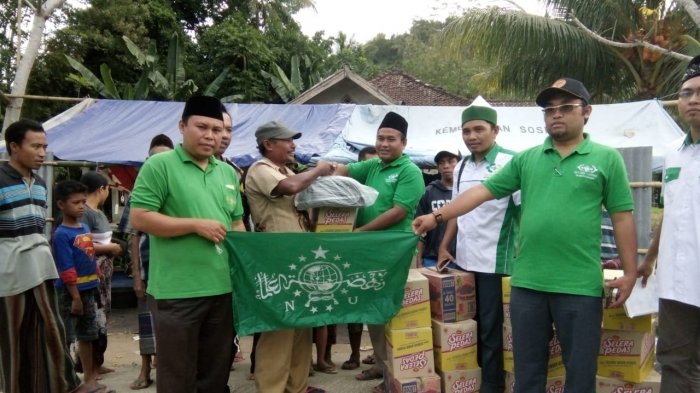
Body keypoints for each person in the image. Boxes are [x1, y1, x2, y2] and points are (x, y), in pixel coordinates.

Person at [413, 78, 638, 393]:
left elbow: (622, 217)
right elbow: (480, 193)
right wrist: (436, 216)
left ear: (586, 112)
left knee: (580, 374)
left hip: (580, 285)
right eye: (549, 110)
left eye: (566, 108)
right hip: (528, 284)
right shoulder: (527, 159)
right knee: (527, 374)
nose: (556, 115)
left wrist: (630, 273)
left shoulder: (606, 158)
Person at [130, 95, 246, 393]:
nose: (210, 136)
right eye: (202, 127)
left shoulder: (227, 172)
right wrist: (195, 225)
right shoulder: (160, 165)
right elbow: (141, 218)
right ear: (182, 126)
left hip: (222, 289)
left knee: (215, 374)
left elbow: (236, 224)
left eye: (218, 130)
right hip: (177, 293)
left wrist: (246, 265)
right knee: (177, 377)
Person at [0, 119, 94, 393]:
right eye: (36, 146)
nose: (42, 152)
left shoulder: (40, 184)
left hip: (41, 270)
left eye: (45, 146)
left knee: (51, 333)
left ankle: (58, 386)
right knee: (12, 340)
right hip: (9, 273)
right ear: (14, 147)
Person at [335, 111, 425, 393]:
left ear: (403, 142)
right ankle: (381, 363)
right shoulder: (373, 166)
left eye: (390, 139)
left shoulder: (410, 171)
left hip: (396, 250)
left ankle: (399, 371)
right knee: (373, 308)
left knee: (395, 310)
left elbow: (398, 211)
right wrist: (328, 172)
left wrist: (360, 232)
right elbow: (345, 171)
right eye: (380, 138)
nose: (384, 144)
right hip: (370, 251)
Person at [245, 120, 335, 393]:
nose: (293, 145)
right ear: (268, 144)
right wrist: (318, 170)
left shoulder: (286, 169)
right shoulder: (260, 170)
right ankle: (272, 388)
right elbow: (290, 187)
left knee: (300, 326)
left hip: (298, 258)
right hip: (277, 259)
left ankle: (297, 386)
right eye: (287, 140)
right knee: (279, 328)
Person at [436, 99, 519, 393]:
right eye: (466, 131)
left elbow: (524, 211)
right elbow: (456, 209)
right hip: (464, 260)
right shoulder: (460, 167)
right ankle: (469, 380)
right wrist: (445, 247)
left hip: (495, 262)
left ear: (495, 130)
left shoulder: (511, 162)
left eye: (478, 129)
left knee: (491, 330)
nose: (472, 136)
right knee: (468, 324)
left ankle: (492, 385)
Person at [639, 55, 700, 393]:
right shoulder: (674, 152)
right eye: (687, 92)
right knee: (674, 360)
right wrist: (649, 259)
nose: (693, 100)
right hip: (678, 284)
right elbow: (672, 211)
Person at [52, 180, 114, 393]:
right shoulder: (61, 234)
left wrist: (95, 278)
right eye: (75, 202)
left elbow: (88, 255)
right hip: (71, 293)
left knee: (88, 336)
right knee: (67, 337)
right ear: (61, 205)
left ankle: (89, 380)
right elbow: (66, 268)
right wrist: (75, 297)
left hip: (89, 290)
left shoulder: (85, 227)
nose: (80, 206)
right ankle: (67, 381)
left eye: (82, 201)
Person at [125, 134, 174, 390]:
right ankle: (145, 369)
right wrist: (136, 276)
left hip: (176, 270)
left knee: (172, 324)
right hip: (148, 269)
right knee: (146, 321)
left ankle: (167, 370)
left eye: (164, 157)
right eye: (153, 157)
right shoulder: (139, 193)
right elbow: (134, 237)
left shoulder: (179, 188)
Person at [77, 170, 122, 377]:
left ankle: (98, 361)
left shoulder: (99, 212)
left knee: (103, 317)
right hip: (92, 271)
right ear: (101, 189)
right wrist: (109, 249)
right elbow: (81, 243)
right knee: (93, 317)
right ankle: (88, 366)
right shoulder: (84, 212)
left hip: (105, 272)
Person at [341, 146, 378, 371]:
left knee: (376, 306)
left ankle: (377, 354)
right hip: (351, 254)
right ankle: (354, 355)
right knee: (353, 305)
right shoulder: (345, 193)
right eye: (367, 165)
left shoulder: (384, 189)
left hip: (377, 253)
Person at [415, 150, 459, 268]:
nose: (446, 166)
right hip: (432, 259)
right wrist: (418, 261)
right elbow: (420, 231)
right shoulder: (428, 192)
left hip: (463, 259)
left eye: (450, 161)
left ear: (459, 164)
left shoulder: (467, 191)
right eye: (441, 163)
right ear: (438, 168)